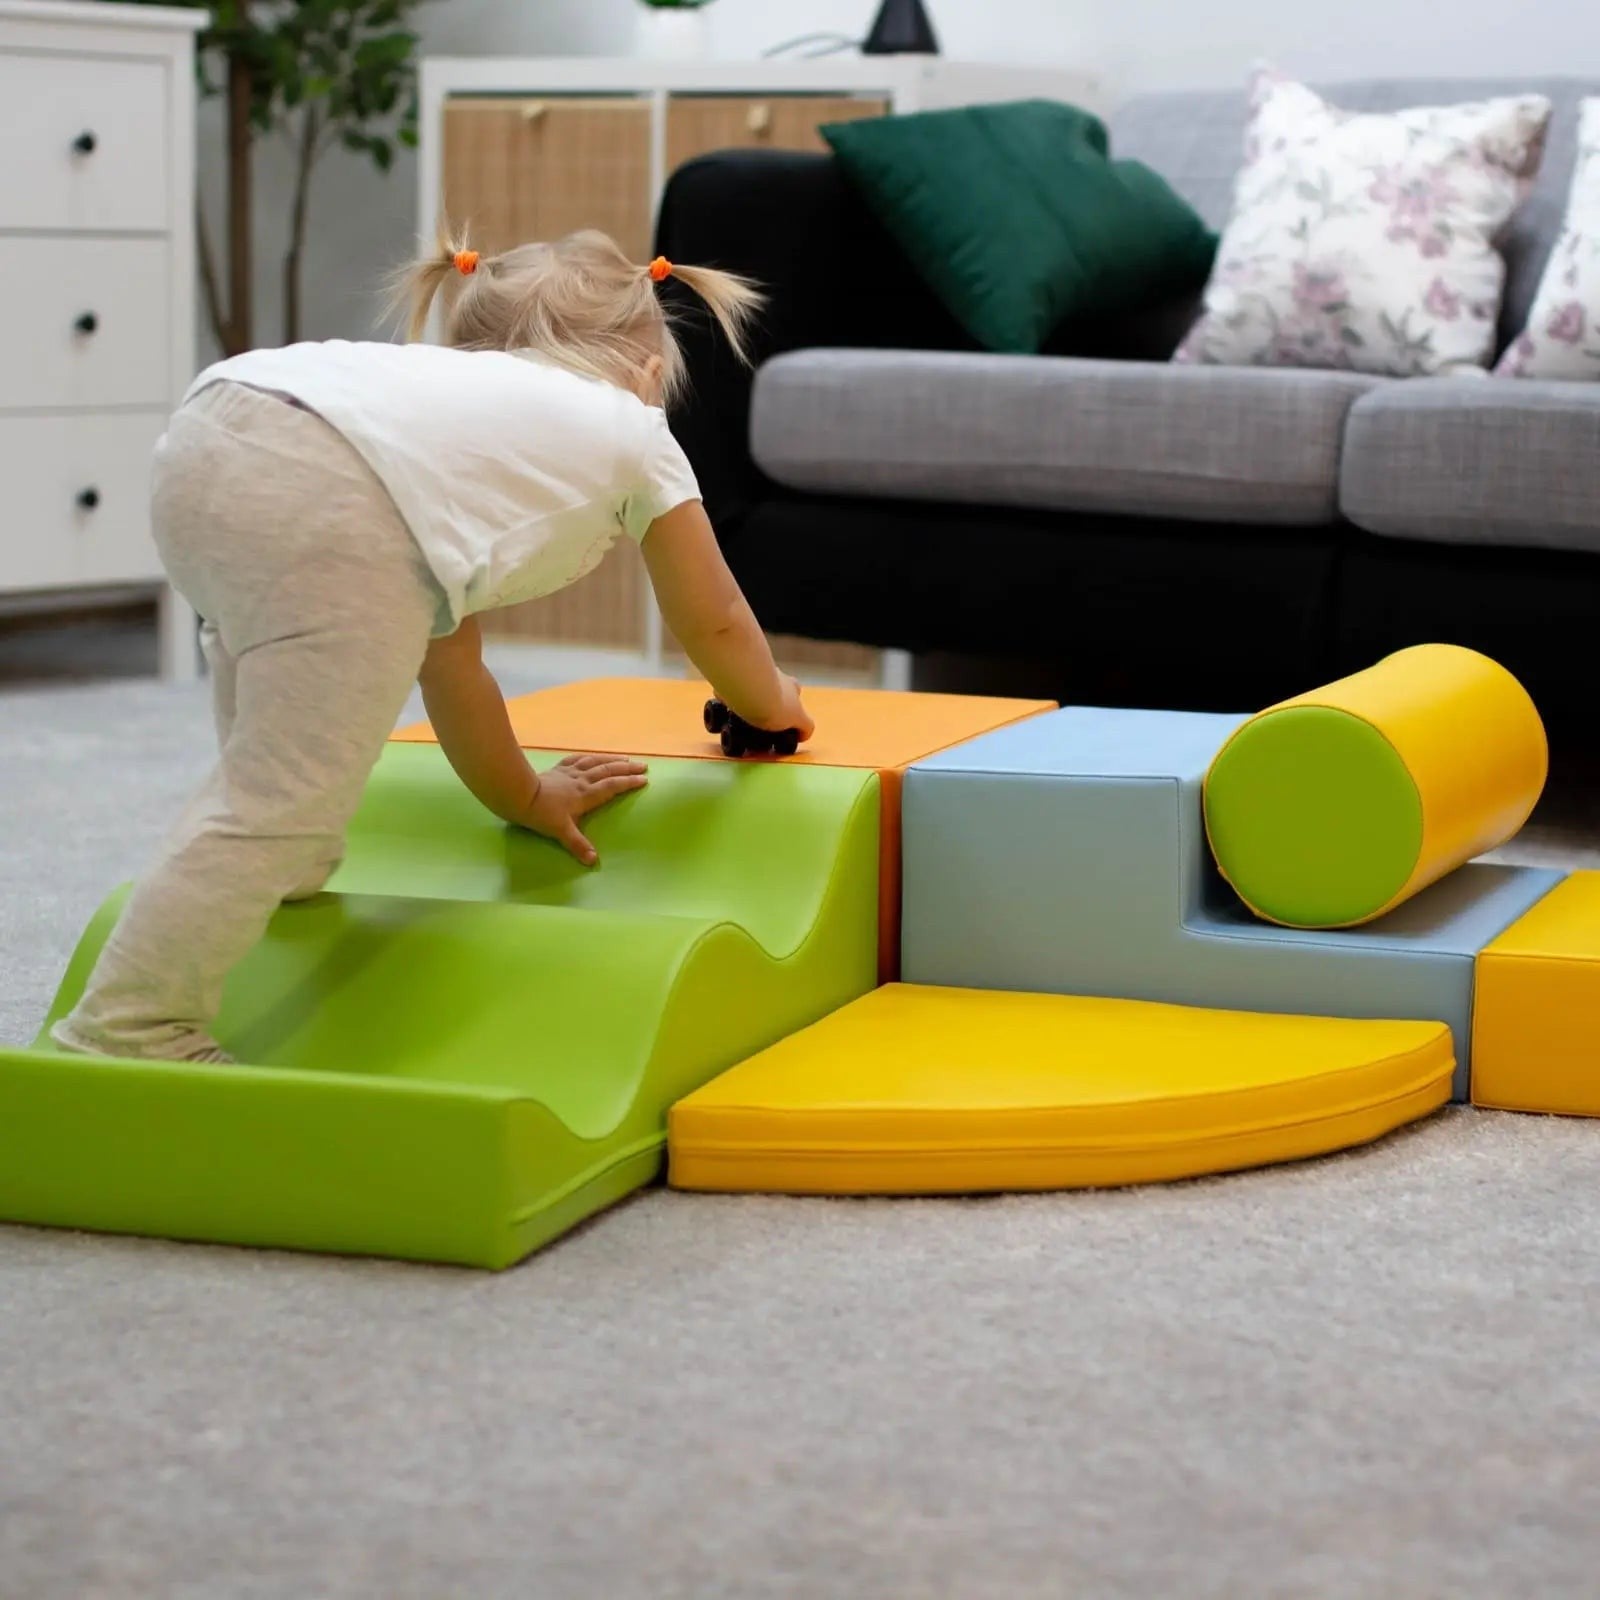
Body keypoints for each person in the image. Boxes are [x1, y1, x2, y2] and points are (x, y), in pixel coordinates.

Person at [51, 229, 813, 1066]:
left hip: (214, 428)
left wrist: (523, 794)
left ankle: (293, 858)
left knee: (273, 703)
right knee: (280, 791)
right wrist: (773, 703)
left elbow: (454, 669)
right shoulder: (631, 428)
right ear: (645, 372)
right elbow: (714, 621)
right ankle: (131, 1023)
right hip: (329, 496)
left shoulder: (434, 431)